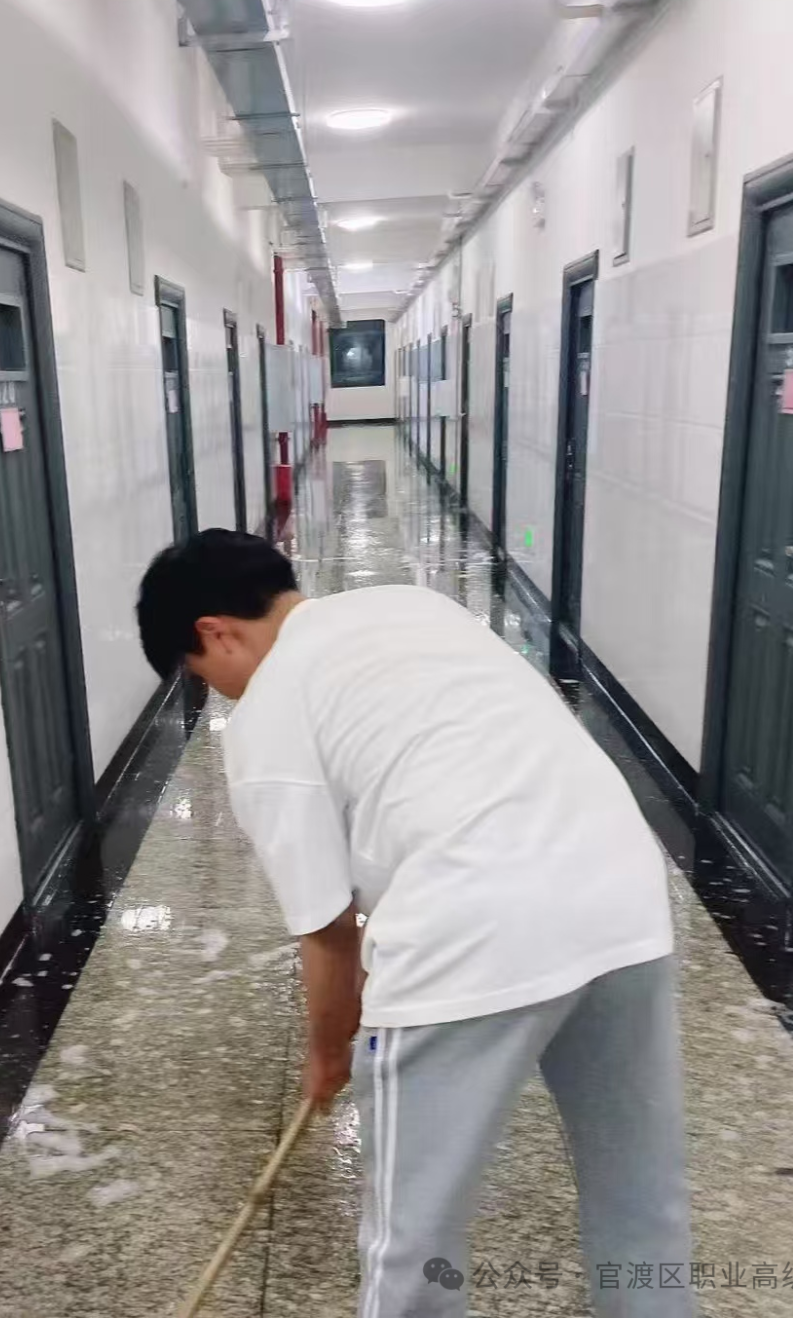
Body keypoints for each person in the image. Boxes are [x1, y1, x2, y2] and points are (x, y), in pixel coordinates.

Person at [137, 529, 693, 1318]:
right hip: (622, 895)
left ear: (215, 631)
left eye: (203, 677)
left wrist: (327, 1053)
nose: (220, 693)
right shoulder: (412, 604)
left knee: (413, 1237)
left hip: (468, 927)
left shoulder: (268, 717)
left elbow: (329, 931)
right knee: (640, 1190)